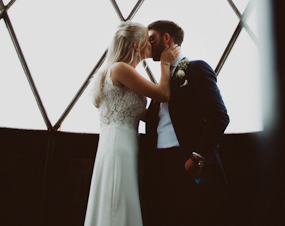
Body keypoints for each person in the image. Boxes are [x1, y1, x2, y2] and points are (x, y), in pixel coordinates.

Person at [84, 21, 178, 226]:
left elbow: (145, 114)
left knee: (120, 201)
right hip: (118, 145)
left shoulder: (124, 72)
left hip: (125, 144)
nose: (151, 45)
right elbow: (163, 94)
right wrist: (165, 63)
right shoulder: (120, 69)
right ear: (136, 45)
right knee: (116, 202)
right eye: (148, 41)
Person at [142, 20, 230, 226]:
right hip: (160, 167)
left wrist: (196, 160)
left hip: (188, 163)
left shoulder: (196, 69)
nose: (148, 44)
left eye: (151, 38)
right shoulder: (161, 84)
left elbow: (220, 116)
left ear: (166, 38)